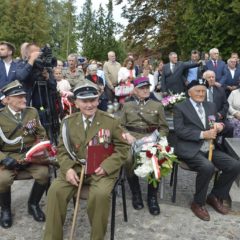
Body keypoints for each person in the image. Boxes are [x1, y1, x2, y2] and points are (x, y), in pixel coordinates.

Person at [43, 82, 129, 240]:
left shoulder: (111, 121)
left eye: (93, 100)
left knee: (100, 195)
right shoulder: (68, 123)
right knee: (55, 191)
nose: (89, 105)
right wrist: (67, 169)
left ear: (98, 100)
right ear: (76, 103)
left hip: (101, 169)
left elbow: (123, 148)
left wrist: (107, 166)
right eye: (85, 101)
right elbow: (62, 150)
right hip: (74, 167)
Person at [173, 79, 240, 221]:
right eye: (198, 91)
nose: (201, 94)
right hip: (190, 148)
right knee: (207, 167)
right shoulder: (180, 107)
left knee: (234, 165)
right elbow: (179, 131)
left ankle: (215, 196)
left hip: (209, 147)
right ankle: (198, 203)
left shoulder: (211, 106)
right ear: (190, 93)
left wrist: (220, 126)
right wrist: (202, 134)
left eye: (203, 91)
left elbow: (215, 124)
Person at [0, 80, 49, 228]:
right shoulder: (1, 116)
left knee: (44, 174)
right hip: (9, 156)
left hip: (31, 155)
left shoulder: (32, 112)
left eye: (24, 96)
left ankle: (33, 205)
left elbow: (42, 134)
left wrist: (39, 149)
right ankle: (5, 210)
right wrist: (3, 159)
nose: (24, 99)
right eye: (19, 96)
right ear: (7, 100)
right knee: (2, 180)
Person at [120, 76, 169, 215]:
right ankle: (136, 194)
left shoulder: (157, 105)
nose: (146, 90)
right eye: (142, 88)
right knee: (128, 159)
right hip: (132, 139)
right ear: (135, 90)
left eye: (147, 87)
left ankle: (152, 197)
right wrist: (126, 135)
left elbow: (164, 128)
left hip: (151, 139)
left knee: (158, 158)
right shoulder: (127, 105)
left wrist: (158, 140)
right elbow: (120, 125)